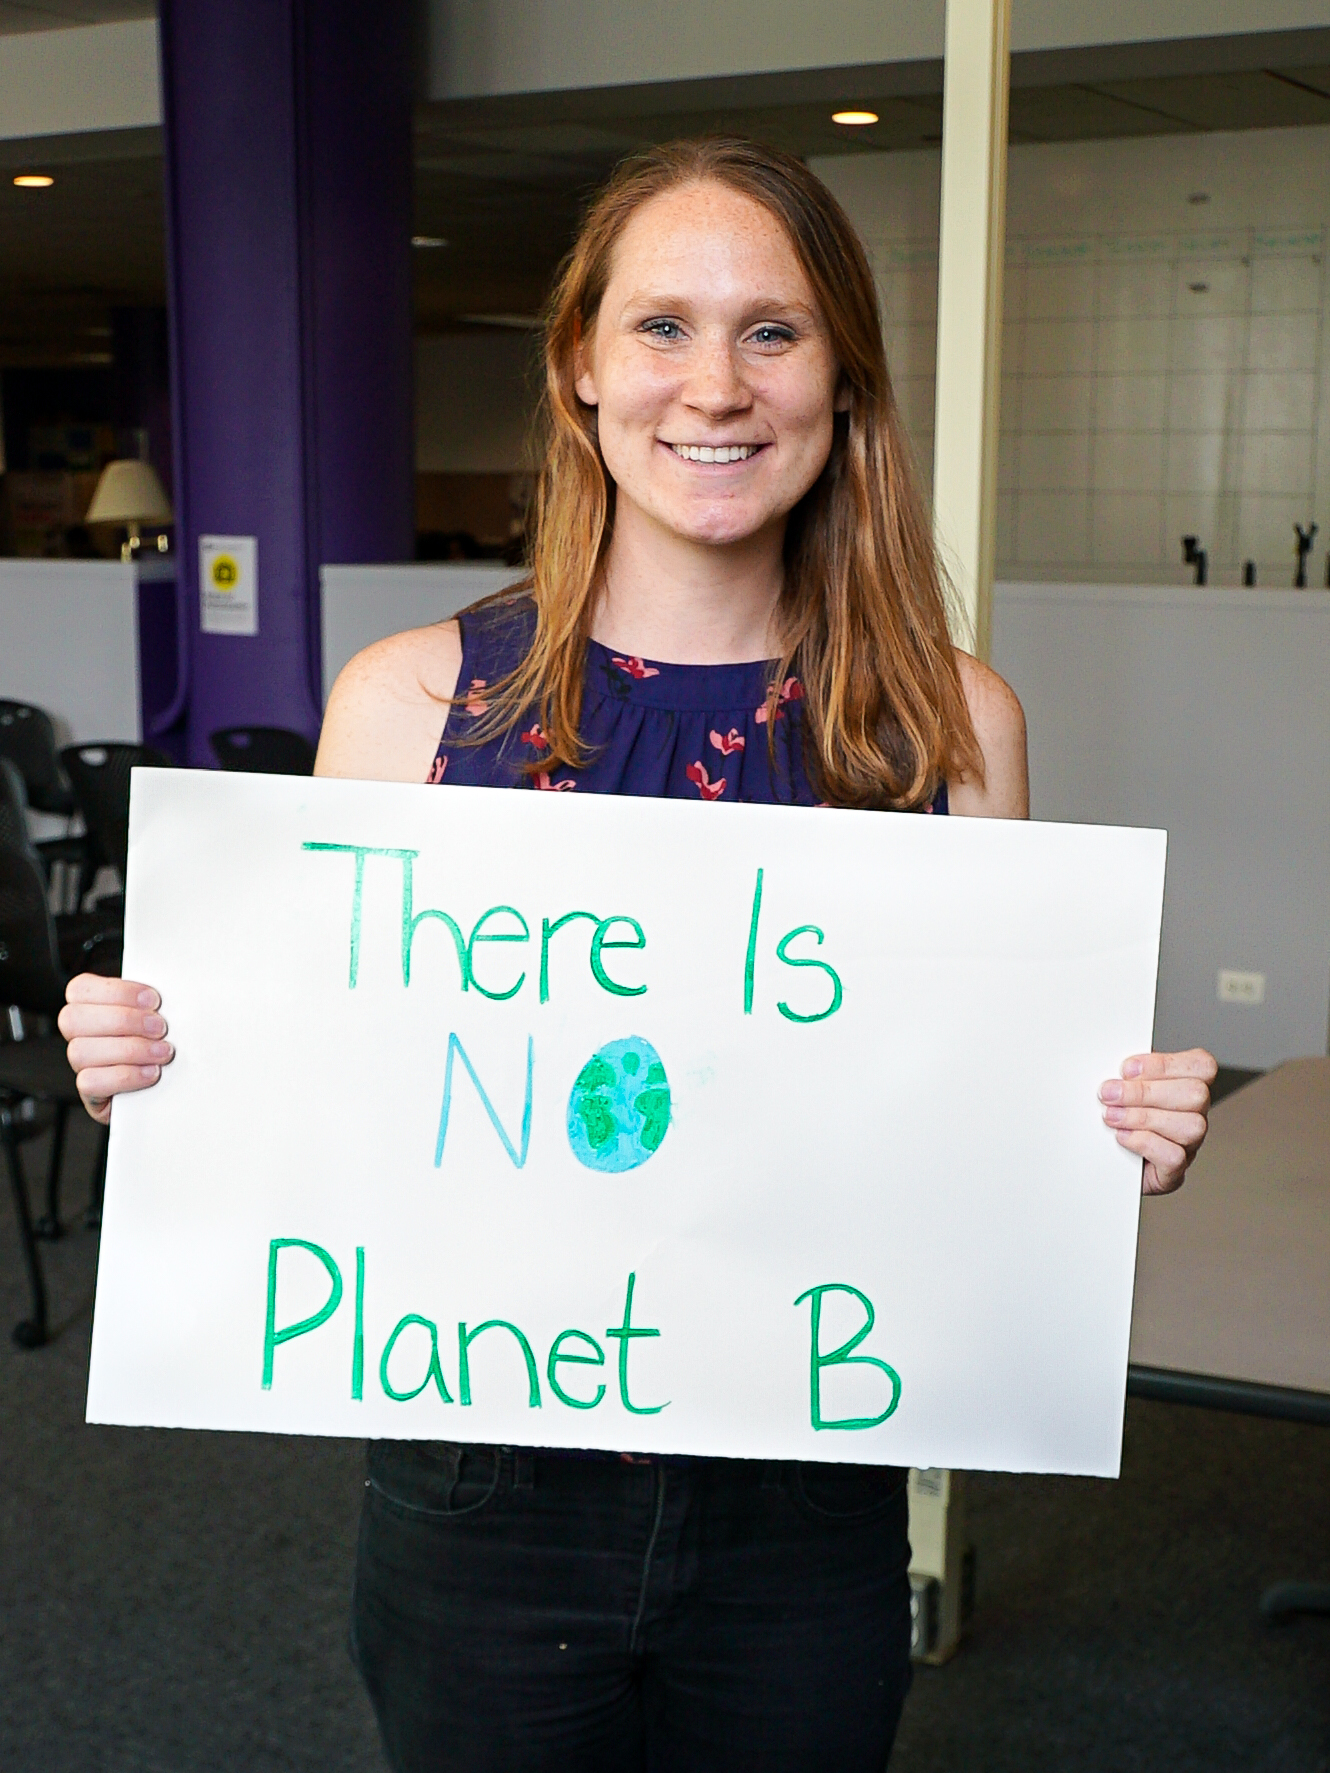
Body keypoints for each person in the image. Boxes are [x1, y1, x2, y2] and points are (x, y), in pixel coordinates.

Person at [59, 139, 1217, 1772]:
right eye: (662, 327)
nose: (715, 387)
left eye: (773, 330)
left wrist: (1099, 1136)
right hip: (479, 1480)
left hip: (805, 1489)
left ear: (840, 378)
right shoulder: (413, 706)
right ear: (579, 371)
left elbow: (961, 1125)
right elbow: (329, 1100)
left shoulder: (945, 724)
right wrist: (167, 1068)